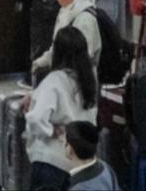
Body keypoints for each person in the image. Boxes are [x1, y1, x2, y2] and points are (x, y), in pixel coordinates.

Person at [25, 25, 100, 188]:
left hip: (51, 160)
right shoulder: (89, 81)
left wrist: (50, 131)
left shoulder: (54, 80)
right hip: (77, 162)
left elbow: (36, 118)